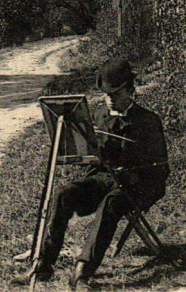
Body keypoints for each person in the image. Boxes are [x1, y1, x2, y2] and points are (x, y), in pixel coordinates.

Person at [31, 58, 170, 290]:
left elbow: (160, 169)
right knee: (64, 194)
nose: (109, 99)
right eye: (105, 94)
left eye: (115, 94)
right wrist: (87, 156)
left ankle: (82, 271)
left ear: (130, 90)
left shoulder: (148, 121)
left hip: (139, 184)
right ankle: (44, 264)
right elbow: (89, 159)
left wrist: (131, 170)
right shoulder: (97, 115)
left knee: (112, 203)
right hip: (104, 178)